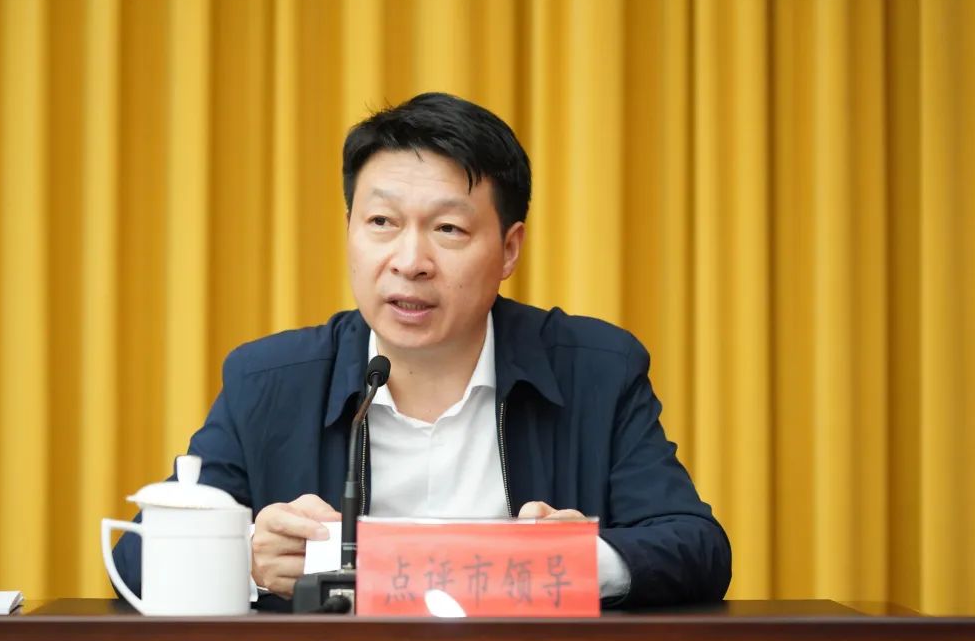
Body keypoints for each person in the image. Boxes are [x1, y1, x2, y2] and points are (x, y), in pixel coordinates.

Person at [112, 92, 731, 609]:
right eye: (381, 223)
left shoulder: (594, 369)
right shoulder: (269, 381)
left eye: (448, 229)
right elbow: (135, 558)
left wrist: (577, 560)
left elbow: (696, 546)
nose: (409, 262)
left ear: (509, 249)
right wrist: (242, 556)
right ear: (349, 230)